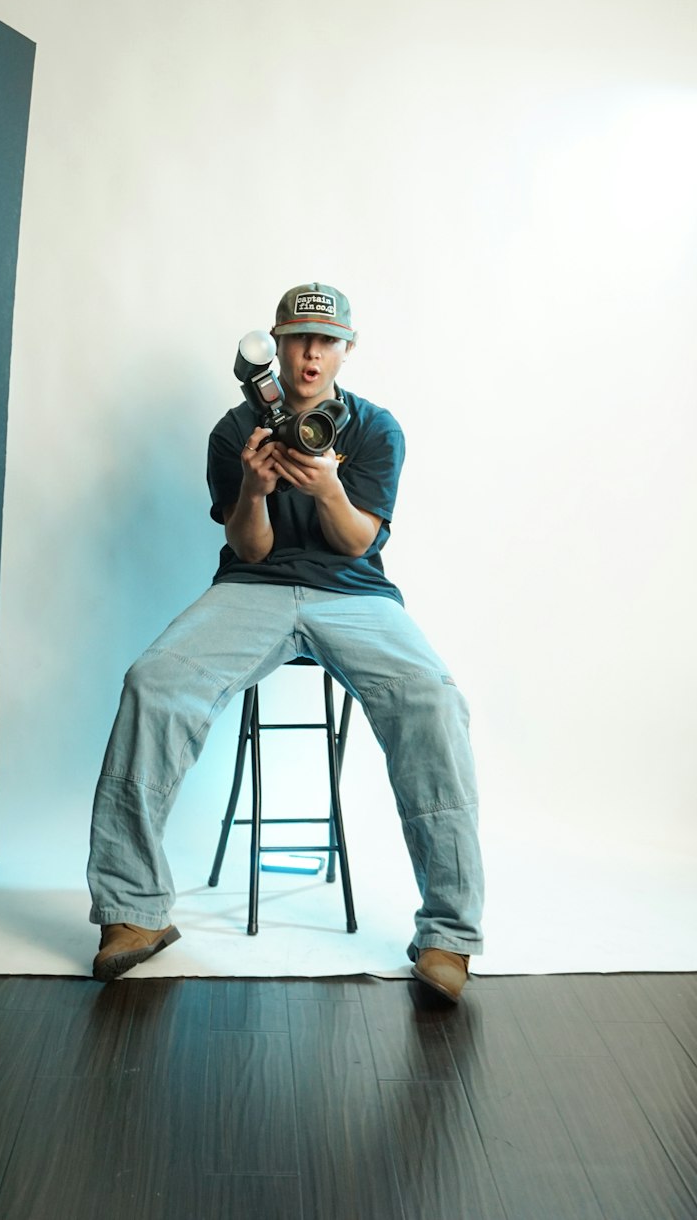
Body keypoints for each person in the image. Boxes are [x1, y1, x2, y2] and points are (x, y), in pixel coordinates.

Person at [87, 282, 483, 1001]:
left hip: (355, 595)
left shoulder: (375, 429)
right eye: (298, 337)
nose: (310, 352)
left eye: (325, 340)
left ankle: (449, 935)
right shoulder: (233, 429)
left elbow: (359, 542)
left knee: (433, 699)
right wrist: (254, 489)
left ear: (345, 349)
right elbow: (253, 550)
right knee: (153, 682)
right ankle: (132, 911)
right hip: (254, 589)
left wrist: (330, 489)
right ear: (276, 343)